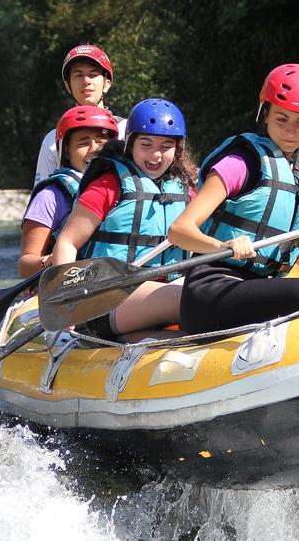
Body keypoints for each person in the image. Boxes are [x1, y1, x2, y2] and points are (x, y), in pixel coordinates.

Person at [168, 63, 299, 334]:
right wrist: (223, 244)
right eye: (281, 119)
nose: (291, 131)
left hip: (261, 285)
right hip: (213, 289)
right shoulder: (240, 163)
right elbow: (179, 231)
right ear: (265, 114)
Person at [48, 99, 196, 337]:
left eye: (166, 146)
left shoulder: (184, 188)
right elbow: (67, 242)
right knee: (198, 298)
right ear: (130, 144)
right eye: (145, 144)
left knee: (210, 288)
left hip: (161, 293)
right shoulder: (109, 184)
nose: (156, 155)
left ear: (178, 149)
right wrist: (69, 300)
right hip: (107, 297)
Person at [17, 105, 119, 277]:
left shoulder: (126, 186)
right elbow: (25, 265)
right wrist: (50, 261)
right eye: (83, 142)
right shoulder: (50, 196)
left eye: (101, 142)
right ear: (67, 152)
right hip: (70, 286)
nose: (94, 149)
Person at [33, 44, 128, 187]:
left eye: (93, 74)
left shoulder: (126, 129)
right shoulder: (53, 139)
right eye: (78, 75)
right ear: (67, 85)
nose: (86, 81)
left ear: (107, 84)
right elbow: (42, 191)